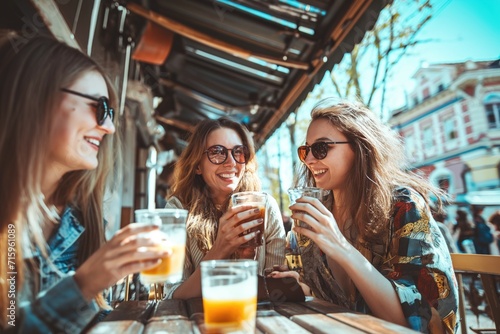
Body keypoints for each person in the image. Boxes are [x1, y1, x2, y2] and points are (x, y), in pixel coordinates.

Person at [0, 33, 168, 333]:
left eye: (111, 113)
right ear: (37, 97)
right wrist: (84, 284)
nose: (110, 127)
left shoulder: (80, 219)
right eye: (99, 107)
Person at [270, 100, 458, 333]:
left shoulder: (403, 206)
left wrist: (340, 246)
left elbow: (414, 323)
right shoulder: (320, 209)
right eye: (305, 150)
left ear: (361, 148)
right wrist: (299, 285)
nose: (308, 160)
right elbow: (332, 296)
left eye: (321, 148)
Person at [164, 117, 286, 299]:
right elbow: (173, 296)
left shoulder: (265, 207)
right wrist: (220, 249)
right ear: (198, 165)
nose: (231, 162)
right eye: (217, 152)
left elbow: (275, 294)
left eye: (238, 152)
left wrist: (247, 261)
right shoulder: (177, 210)